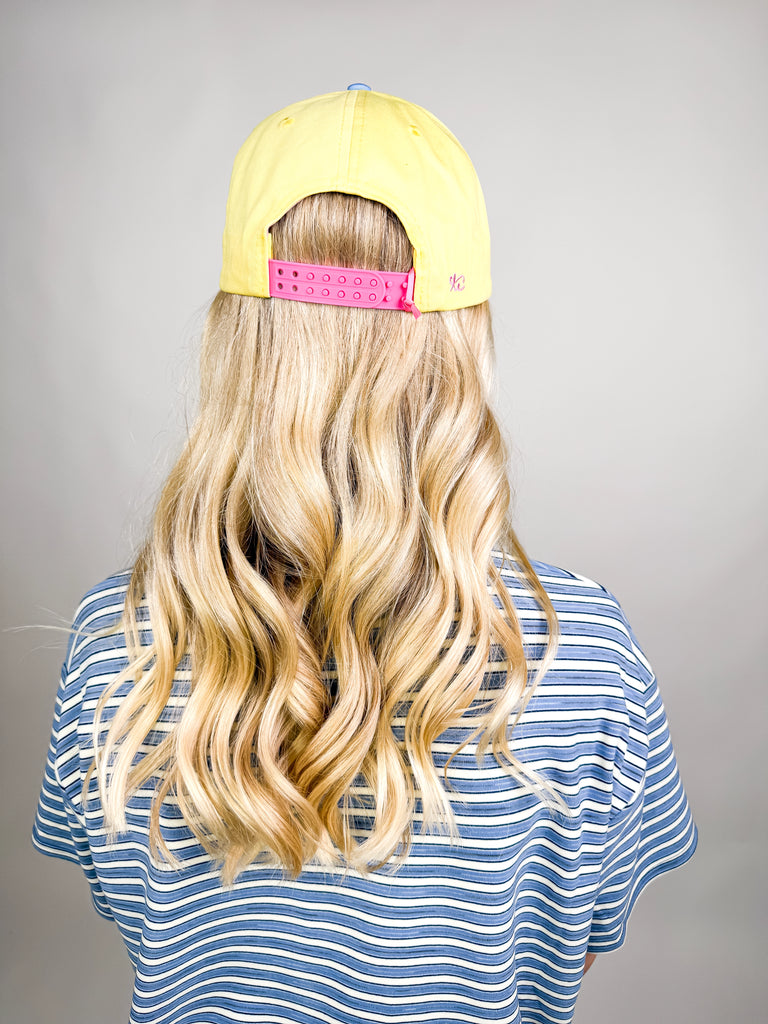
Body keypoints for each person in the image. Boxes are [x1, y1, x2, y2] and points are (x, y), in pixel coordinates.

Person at [32, 85, 698, 1024]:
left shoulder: (118, 642)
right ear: (464, 339)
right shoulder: (581, 653)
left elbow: (137, 922)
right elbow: (573, 946)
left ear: (239, 333)